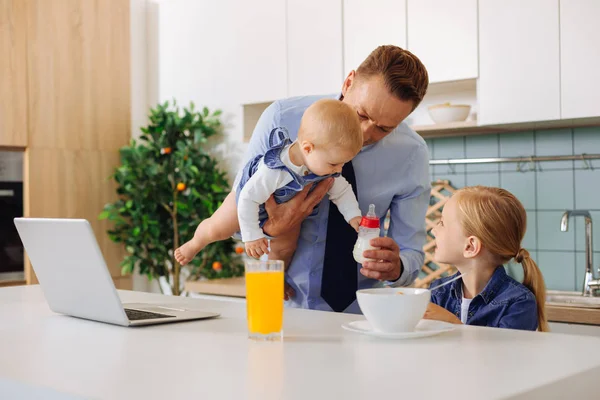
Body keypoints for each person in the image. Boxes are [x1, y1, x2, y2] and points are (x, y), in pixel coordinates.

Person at [196, 45, 430, 313]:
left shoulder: (412, 153)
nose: (365, 133)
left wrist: (396, 266)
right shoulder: (282, 118)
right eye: (362, 114)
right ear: (349, 82)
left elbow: (411, 253)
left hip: (364, 316)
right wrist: (275, 228)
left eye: (384, 128)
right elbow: (237, 213)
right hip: (282, 306)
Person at [175, 99, 363, 269]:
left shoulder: (323, 163)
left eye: (342, 164)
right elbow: (248, 199)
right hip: (249, 198)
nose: (339, 170)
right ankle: (195, 243)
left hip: (286, 207)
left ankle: (275, 276)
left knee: (285, 248)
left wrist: (353, 215)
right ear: (307, 148)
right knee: (218, 229)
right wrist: (252, 236)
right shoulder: (274, 170)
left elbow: (342, 190)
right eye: (334, 164)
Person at [425, 186, 548, 331]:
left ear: (470, 246)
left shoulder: (518, 303)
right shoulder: (437, 293)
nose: (433, 230)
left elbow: (504, 353)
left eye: (442, 223)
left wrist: (453, 323)